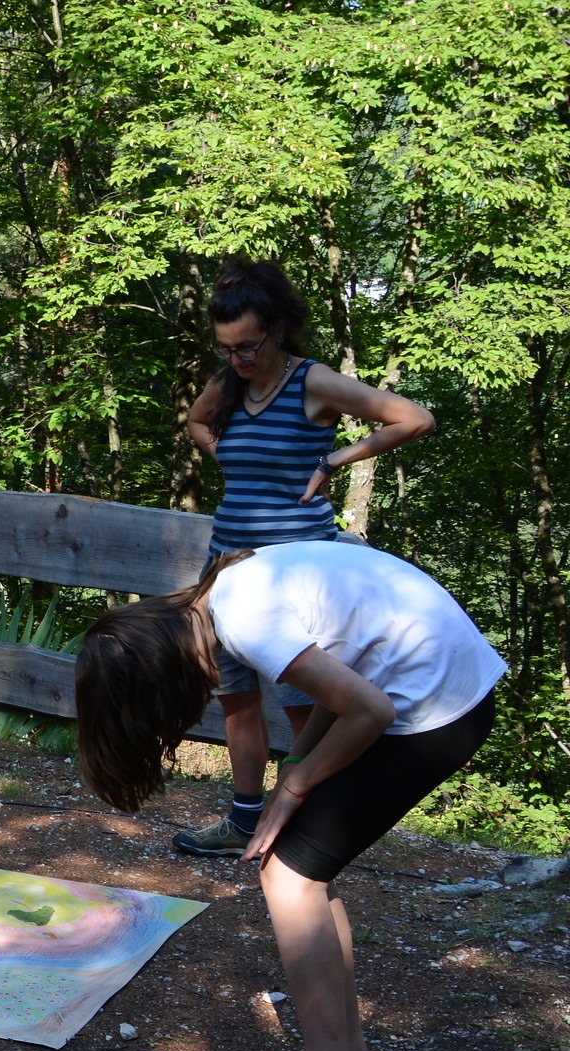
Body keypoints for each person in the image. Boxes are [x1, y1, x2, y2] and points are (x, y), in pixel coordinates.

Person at [74, 540, 503, 1051]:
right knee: (309, 874)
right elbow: (346, 680)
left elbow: (370, 710)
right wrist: (293, 774)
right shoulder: (228, 590)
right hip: (445, 688)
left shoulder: (245, 622)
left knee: (290, 879)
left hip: (433, 707)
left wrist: (297, 787)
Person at [172, 258, 436, 857]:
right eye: (226, 348)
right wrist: (224, 454)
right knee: (235, 698)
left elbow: (415, 418)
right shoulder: (231, 381)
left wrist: (333, 461)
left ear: (279, 329)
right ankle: (243, 820)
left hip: (295, 578)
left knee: (306, 708)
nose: (236, 359)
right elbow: (195, 419)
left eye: (247, 346)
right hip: (225, 569)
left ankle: (312, 824)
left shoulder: (312, 382)